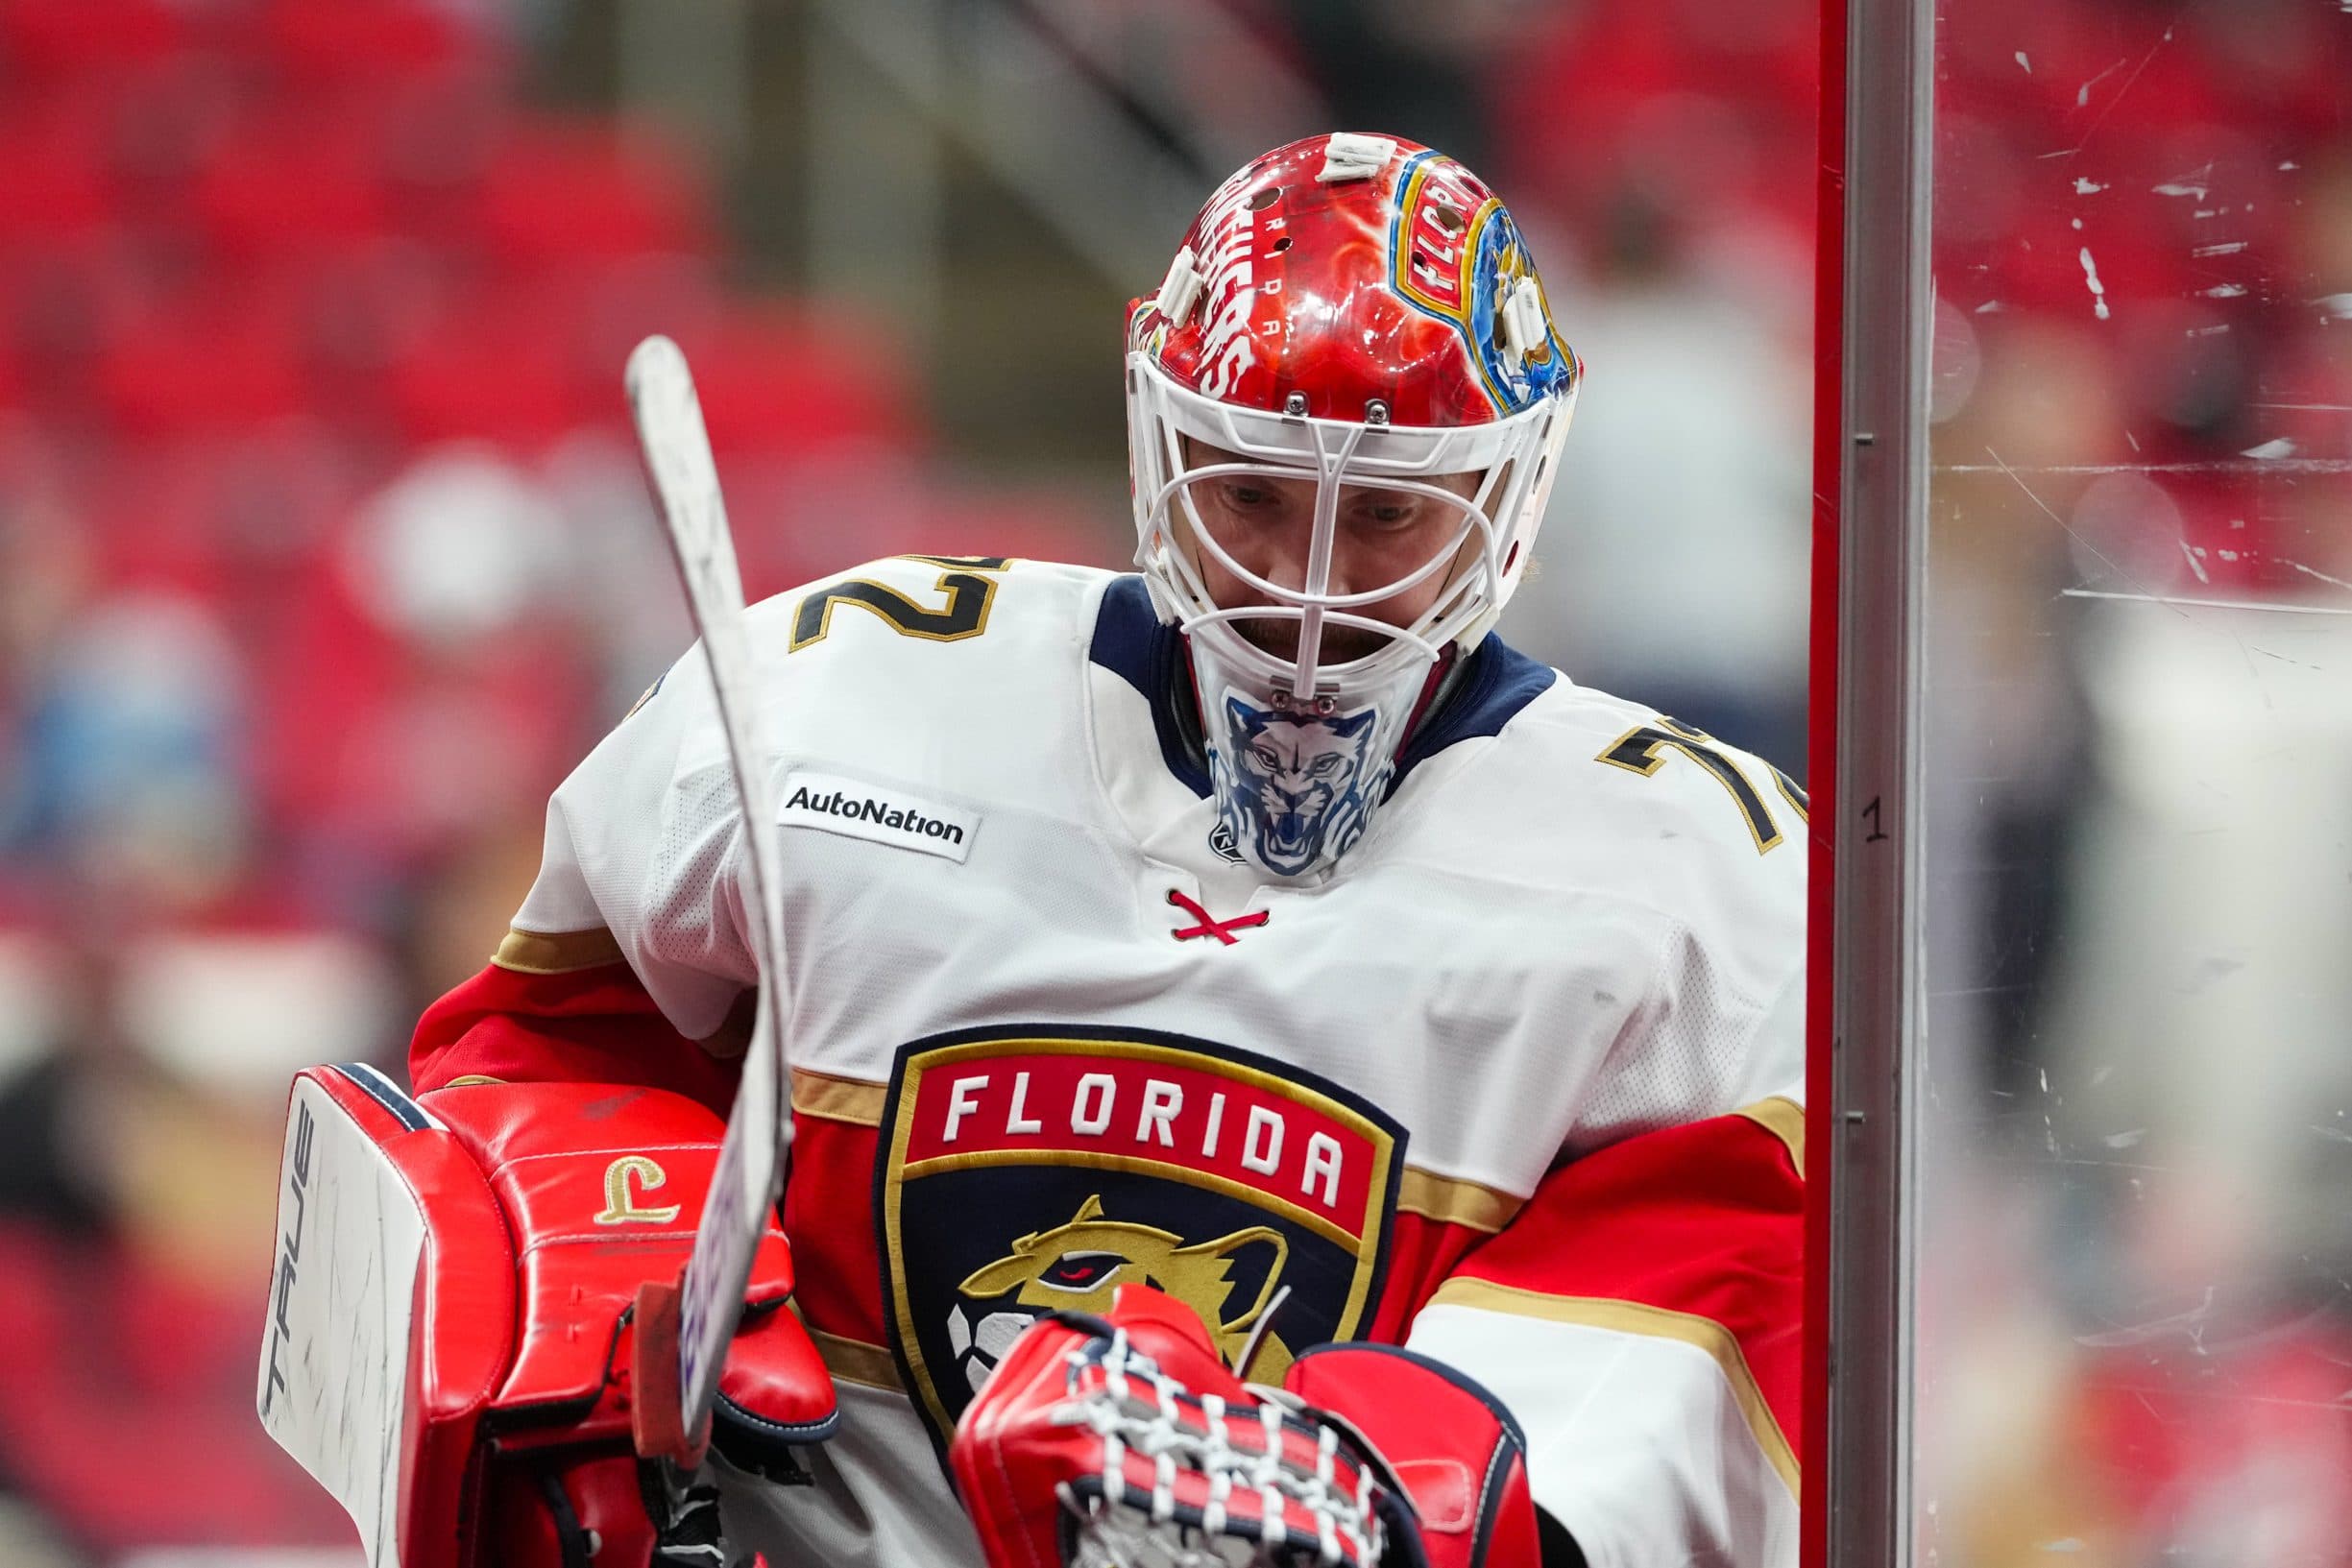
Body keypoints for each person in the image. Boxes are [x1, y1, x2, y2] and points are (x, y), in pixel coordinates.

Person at [259, 133, 1806, 1568]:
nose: (1304, 591)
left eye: (1388, 520)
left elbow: (1723, 1312)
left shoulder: (1694, 873)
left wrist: (1374, 1491)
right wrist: (613, 1269)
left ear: (1505, 494)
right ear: (1155, 442)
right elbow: (537, 1053)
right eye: (1252, 495)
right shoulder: (834, 696)